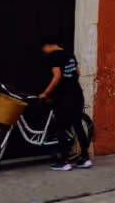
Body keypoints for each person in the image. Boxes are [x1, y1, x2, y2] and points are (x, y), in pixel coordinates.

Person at [39, 39, 92, 170]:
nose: (44, 52)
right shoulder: (69, 54)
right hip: (77, 94)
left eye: (43, 49)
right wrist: (71, 83)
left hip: (64, 97)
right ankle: (85, 159)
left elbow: (57, 77)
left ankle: (64, 161)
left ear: (47, 45)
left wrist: (45, 93)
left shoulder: (53, 56)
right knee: (78, 126)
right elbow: (78, 73)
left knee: (60, 127)